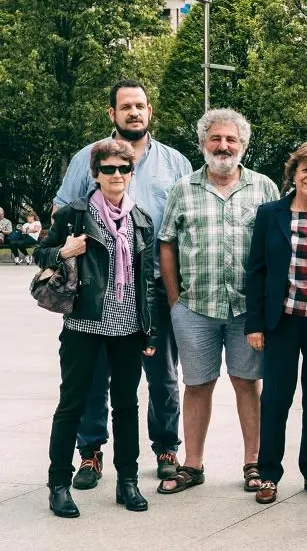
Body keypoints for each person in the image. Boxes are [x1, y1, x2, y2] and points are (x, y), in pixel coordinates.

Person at [54, 79, 192, 489]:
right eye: (125, 106)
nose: (134, 112)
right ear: (112, 113)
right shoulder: (89, 156)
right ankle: (91, 453)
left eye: (140, 106)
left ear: (151, 113)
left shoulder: (175, 163)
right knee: (96, 378)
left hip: (157, 287)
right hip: (97, 291)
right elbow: (64, 207)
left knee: (164, 376)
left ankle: (166, 447)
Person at [157, 109, 279, 495]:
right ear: (203, 144)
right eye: (216, 139)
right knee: (197, 385)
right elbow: (167, 243)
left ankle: (254, 463)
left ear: (243, 145)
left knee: (248, 384)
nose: (223, 146)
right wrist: (175, 300)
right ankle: (192, 465)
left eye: (231, 140)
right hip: (195, 307)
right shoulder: (183, 189)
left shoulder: (264, 188)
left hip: (248, 311)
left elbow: (279, 247)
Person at [36, 139, 158, 518]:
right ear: (96, 174)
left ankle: (128, 482)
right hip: (84, 322)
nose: (116, 176)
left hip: (126, 327)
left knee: (125, 405)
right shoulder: (75, 214)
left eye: (123, 169)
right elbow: (42, 251)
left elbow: (147, 282)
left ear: (131, 173)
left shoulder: (142, 220)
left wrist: (150, 330)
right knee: (71, 403)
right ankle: (58, 484)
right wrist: (62, 252)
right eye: (109, 169)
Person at [245, 142, 307, 504]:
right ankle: (268, 474)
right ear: (294, 172)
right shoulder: (271, 213)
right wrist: (254, 324)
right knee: (275, 400)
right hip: (281, 321)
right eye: (306, 169)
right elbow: (256, 271)